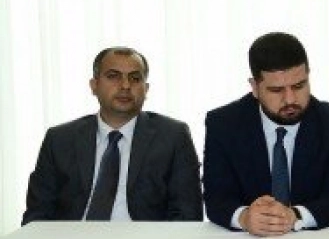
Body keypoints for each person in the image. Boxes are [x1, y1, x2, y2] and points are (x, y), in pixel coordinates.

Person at [23, 46, 202, 224]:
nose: (125, 86)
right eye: (113, 76)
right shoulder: (60, 139)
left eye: (135, 78)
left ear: (146, 89)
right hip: (74, 238)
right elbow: (37, 214)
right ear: (94, 85)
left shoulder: (173, 137)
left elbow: (187, 214)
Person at [203, 32, 329, 235]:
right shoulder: (223, 124)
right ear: (255, 87)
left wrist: (294, 216)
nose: (290, 99)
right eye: (277, 90)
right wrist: (244, 217)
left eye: (299, 86)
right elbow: (216, 198)